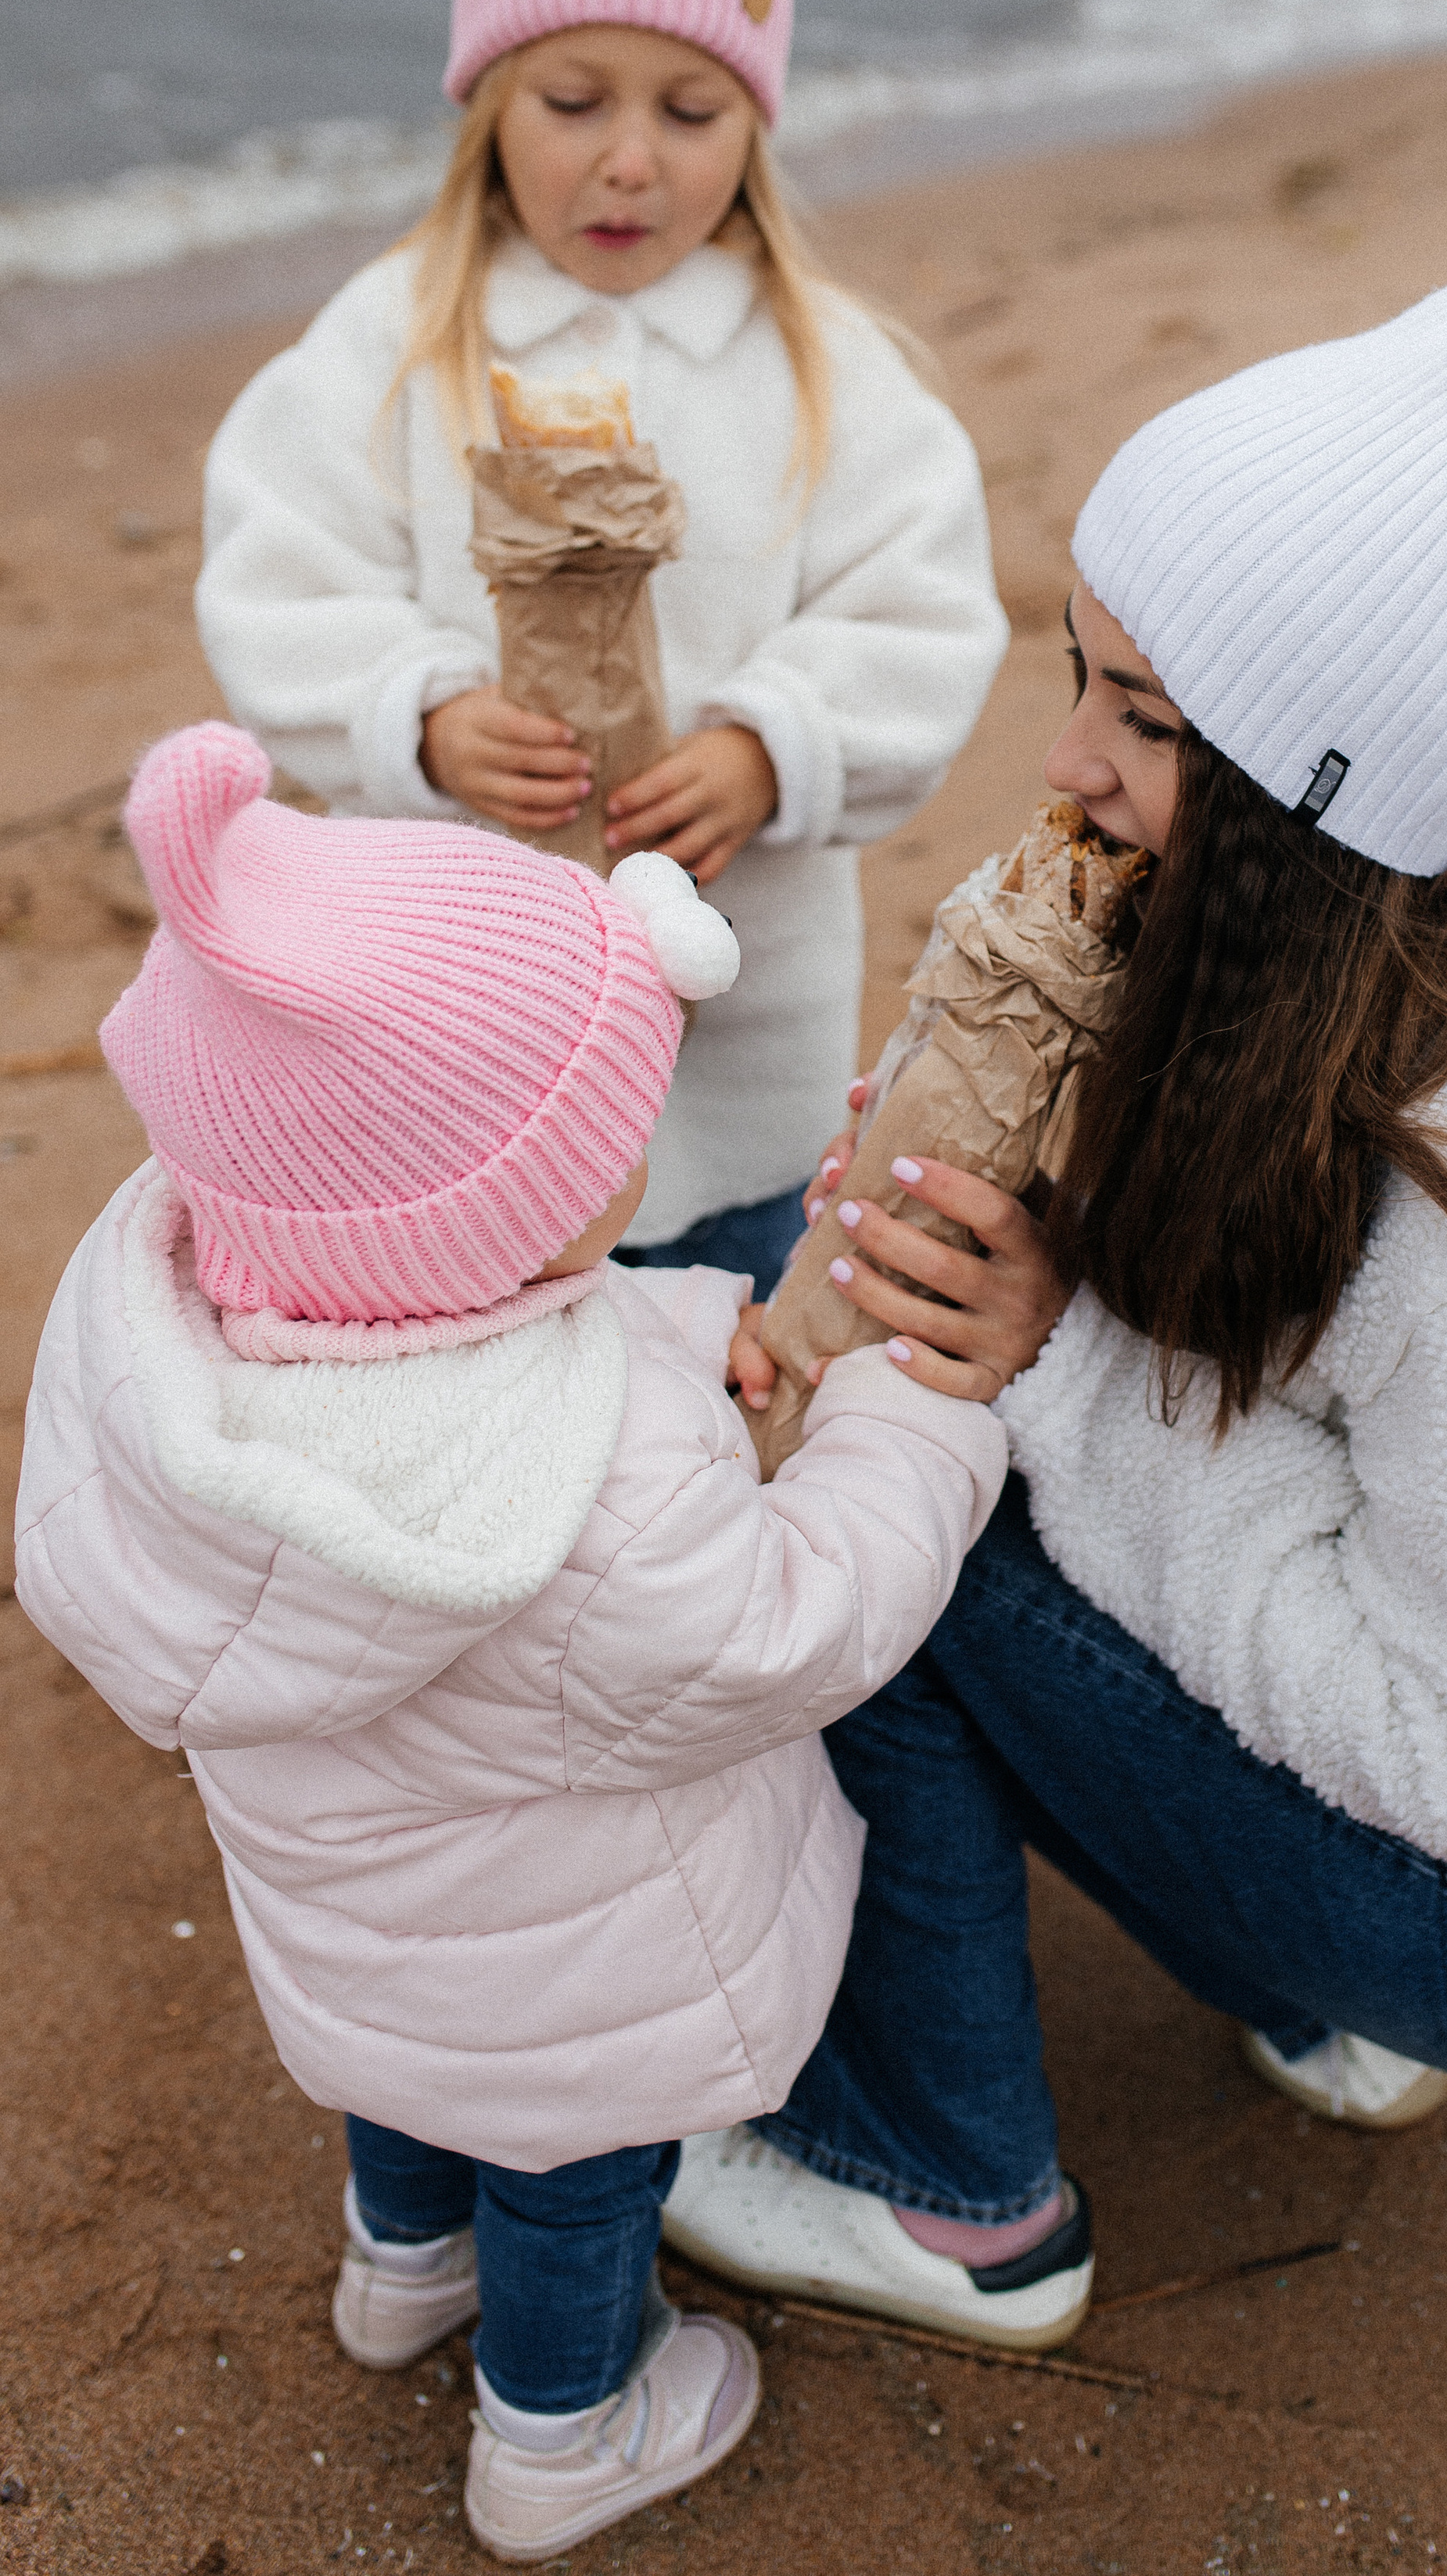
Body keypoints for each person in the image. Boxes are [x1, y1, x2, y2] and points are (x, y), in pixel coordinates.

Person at [664, 248, 1447, 2353]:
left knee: (893, 1501)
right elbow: (1303, 1341)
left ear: (1300, 795)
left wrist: (1043, 1362)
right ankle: (1315, 2000)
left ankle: (948, 2190)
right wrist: (1013, 1184)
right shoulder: (1375, 899)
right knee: (858, 1332)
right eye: (1083, 675)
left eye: (1146, 721)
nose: (1065, 760)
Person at [13, 723, 1005, 2560]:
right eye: (608, 1146)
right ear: (508, 1224)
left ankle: (400, 2270)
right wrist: (913, 1421)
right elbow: (796, 1622)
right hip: (575, 1997)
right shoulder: (595, 1495)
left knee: (406, 2091)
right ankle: (562, 2431)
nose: (635, 1158)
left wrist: (681, 1327)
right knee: (571, 2182)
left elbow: (519, 1327)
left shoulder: (179, 1334)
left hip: (358, 1946)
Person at [196, 0, 1007, 1299]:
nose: (631, 160)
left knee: (718, 1333)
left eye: (689, 112)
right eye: (575, 102)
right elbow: (280, 572)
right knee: (466, 1328)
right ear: (490, 99)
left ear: (752, 122)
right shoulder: (396, 339)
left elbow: (919, 608)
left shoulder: (820, 367)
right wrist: (419, 716)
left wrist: (772, 746)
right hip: (450, 1025)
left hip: (736, 1033)